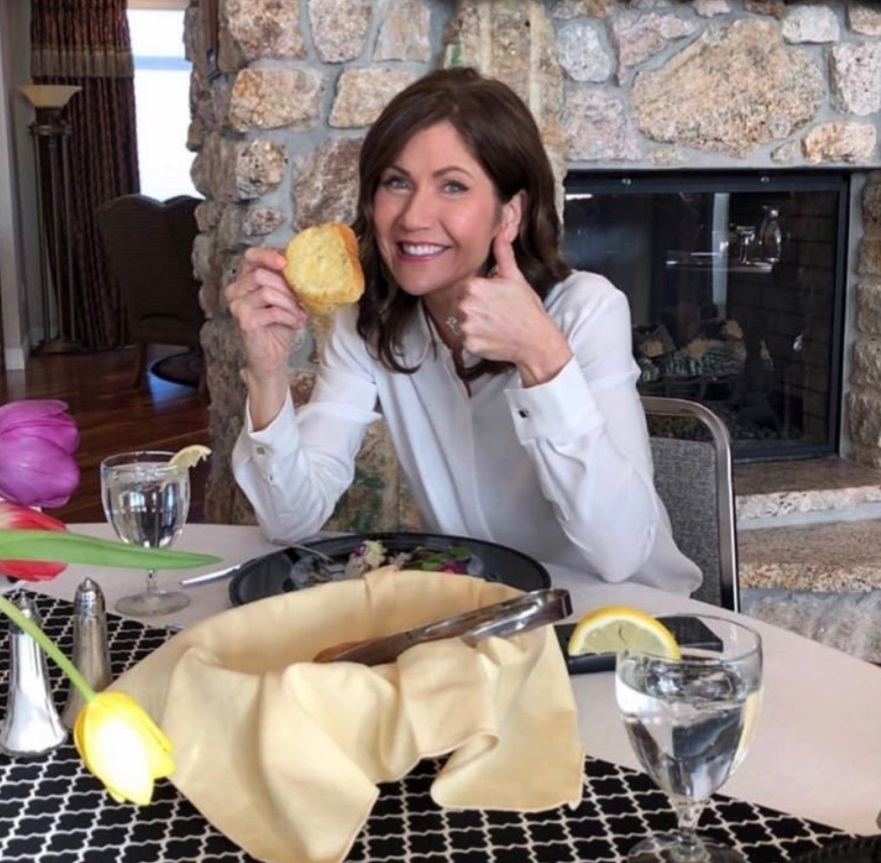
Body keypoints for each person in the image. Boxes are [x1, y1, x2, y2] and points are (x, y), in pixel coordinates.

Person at [226, 67, 701, 594]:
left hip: (625, 620)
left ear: (510, 213)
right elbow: (290, 521)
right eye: (396, 182)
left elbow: (621, 553)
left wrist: (543, 360)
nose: (413, 217)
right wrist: (267, 373)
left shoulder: (585, 311)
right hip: (483, 616)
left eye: (453, 186)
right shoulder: (367, 322)